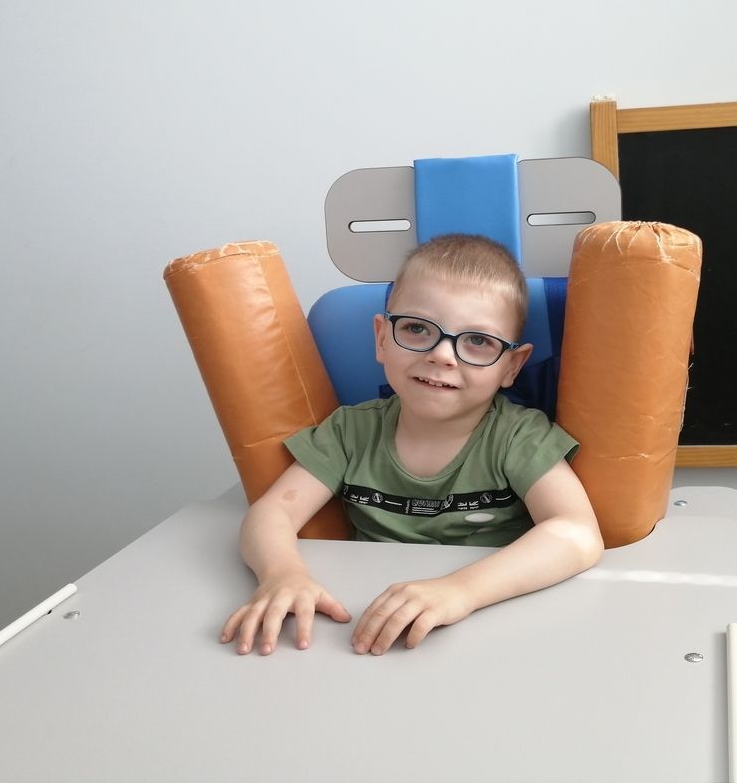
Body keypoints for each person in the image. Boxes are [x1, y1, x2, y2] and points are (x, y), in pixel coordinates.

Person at [219, 233, 603, 656]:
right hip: (360, 628)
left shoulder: (518, 437)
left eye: (478, 341)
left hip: (491, 624)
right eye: (417, 329)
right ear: (382, 339)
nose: (442, 355)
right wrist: (281, 575)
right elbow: (271, 513)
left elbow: (577, 533)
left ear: (511, 366)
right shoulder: (350, 432)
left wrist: (461, 591)